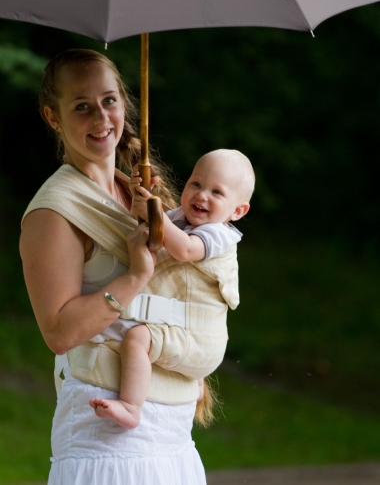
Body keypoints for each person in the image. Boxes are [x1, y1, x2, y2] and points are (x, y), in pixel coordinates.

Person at [19, 49, 208, 485]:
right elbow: (59, 332)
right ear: (53, 117)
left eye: (109, 101)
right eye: (81, 107)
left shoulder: (134, 191)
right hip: (107, 436)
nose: (101, 117)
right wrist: (136, 276)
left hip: (170, 431)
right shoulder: (54, 212)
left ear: (124, 103)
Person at [89, 149, 255, 429]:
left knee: (137, 339)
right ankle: (194, 382)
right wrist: (142, 197)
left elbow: (185, 249)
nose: (202, 195)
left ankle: (131, 407)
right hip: (192, 332)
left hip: (202, 340)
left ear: (237, 211)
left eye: (217, 192)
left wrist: (156, 213)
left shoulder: (219, 235)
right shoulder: (181, 219)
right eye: (196, 184)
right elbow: (153, 226)